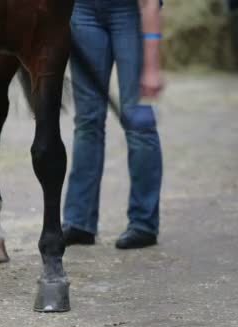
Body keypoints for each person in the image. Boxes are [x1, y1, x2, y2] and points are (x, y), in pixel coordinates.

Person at [62, 0, 164, 249]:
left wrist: (151, 68)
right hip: (83, 11)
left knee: (138, 122)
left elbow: (150, 4)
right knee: (87, 121)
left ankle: (143, 223)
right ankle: (79, 221)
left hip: (130, 13)